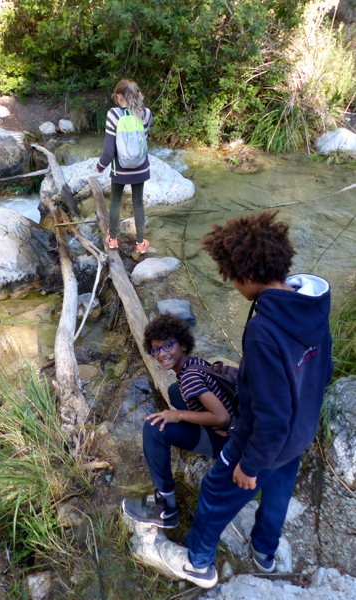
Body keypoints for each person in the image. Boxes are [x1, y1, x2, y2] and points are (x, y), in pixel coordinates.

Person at [133, 211, 333, 590]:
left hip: (263, 440)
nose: (233, 284)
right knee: (278, 491)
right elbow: (323, 371)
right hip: (300, 432)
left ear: (246, 275)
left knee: (215, 492)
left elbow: (271, 415)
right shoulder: (312, 305)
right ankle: (264, 552)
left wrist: (250, 464)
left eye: (231, 277)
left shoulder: (263, 330)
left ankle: (199, 564)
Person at [122, 312, 234, 529]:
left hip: (227, 443)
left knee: (153, 427)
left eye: (167, 346)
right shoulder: (195, 363)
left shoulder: (189, 377)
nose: (161, 354)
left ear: (183, 344)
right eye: (156, 350)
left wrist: (178, 415)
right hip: (236, 430)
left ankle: (165, 507)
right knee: (175, 391)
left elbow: (222, 417)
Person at [96, 79, 153, 254]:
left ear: (119, 96)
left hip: (120, 168)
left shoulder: (114, 114)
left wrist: (100, 166)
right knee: (138, 203)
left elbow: (109, 150)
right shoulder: (146, 114)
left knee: (115, 201)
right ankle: (140, 243)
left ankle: (113, 239)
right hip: (140, 167)